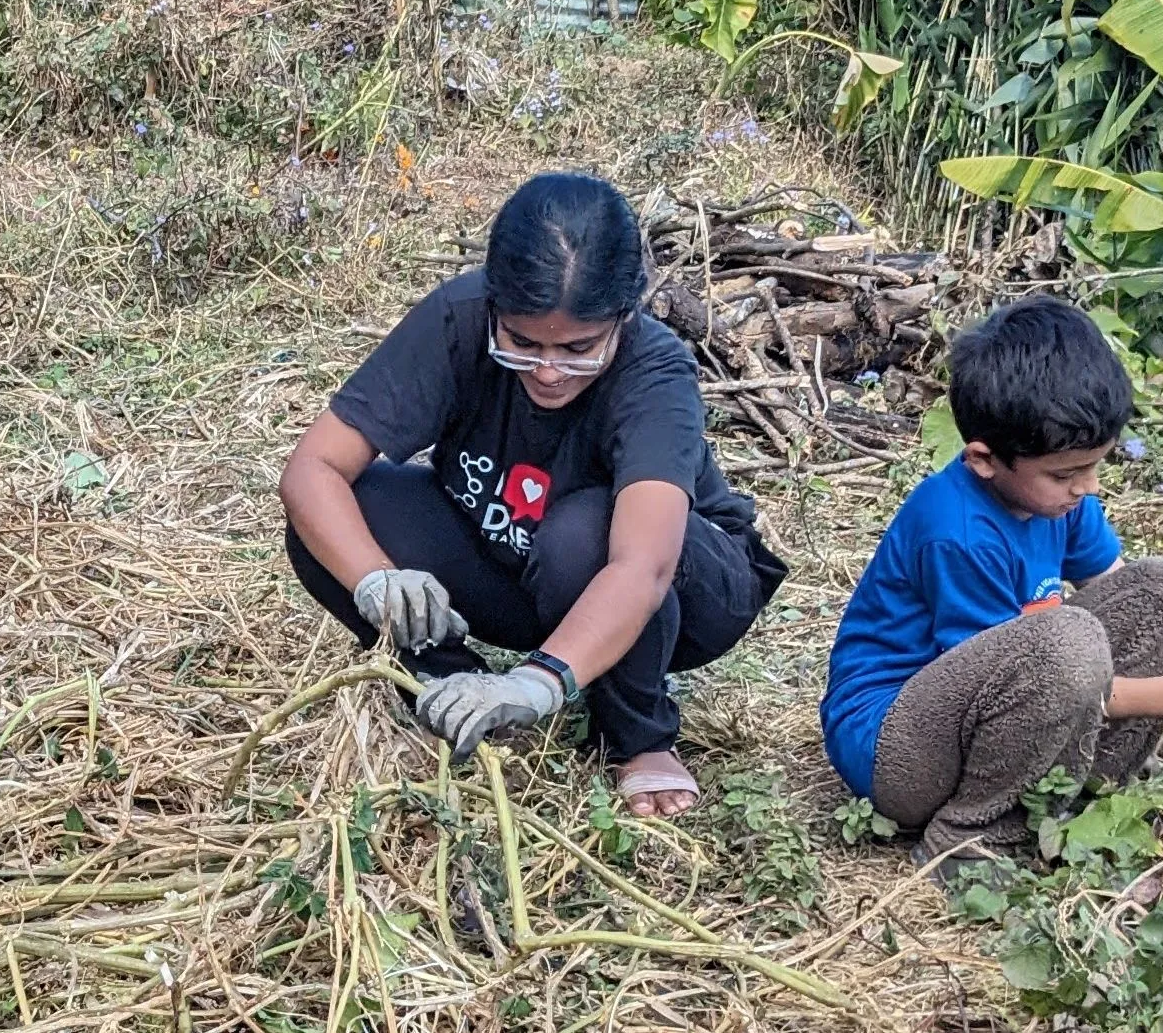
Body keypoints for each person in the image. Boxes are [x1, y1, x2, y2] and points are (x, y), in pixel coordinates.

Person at [279, 172, 787, 816]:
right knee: (335, 519)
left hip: (682, 584)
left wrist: (541, 682)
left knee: (584, 532)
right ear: (494, 307)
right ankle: (447, 676)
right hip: (518, 557)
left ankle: (637, 733)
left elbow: (645, 565)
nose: (548, 372)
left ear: (623, 316)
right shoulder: (456, 321)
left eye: (578, 348)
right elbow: (311, 470)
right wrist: (380, 581)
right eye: (522, 344)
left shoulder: (654, 373)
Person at [820, 296, 1163, 874]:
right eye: (1066, 474)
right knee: (1066, 641)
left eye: (1094, 467)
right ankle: (972, 843)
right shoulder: (957, 532)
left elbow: (1129, 603)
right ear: (984, 460)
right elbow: (1019, 677)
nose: (1086, 486)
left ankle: (1083, 802)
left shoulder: (1058, 500)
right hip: (897, 752)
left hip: (993, 703)